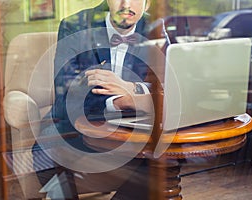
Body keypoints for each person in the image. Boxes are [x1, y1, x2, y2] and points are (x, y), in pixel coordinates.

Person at [33, 0, 163, 199]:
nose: (126, 4)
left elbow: (168, 85)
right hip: (72, 124)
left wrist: (130, 88)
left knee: (161, 152)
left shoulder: (155, 27)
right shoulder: (74, 26)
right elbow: (67, 92)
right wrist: (121, 101)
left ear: (147, 3)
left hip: (131, 127)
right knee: (46, 152)